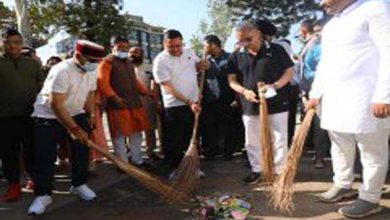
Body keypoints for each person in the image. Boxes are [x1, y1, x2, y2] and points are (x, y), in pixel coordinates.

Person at [306, 0, 390, 218]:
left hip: (366, 96)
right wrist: (315, 93)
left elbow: (388, 50)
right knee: (339, 143)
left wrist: (384, 95)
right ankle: (343, 184)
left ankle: (370, 197)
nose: (322, 3)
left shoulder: (376, 6)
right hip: (335, 97)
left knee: (371, 149)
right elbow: (325, 63)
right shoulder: (332, 24)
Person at [28, 40, 105, 215]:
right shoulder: (61, 71)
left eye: (98, 61)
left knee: (81, 150)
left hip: (75, 111)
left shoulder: (90, 70)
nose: (96, 64)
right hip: (48, 115)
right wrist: (75, 129)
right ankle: (43, 195)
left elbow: (91, 92)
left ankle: (78, 184)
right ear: (78, 56)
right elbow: (56, 104)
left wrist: (91, 115)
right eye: (93, 60)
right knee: (45, 155)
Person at [227, 21, 294, 184]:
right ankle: (257, 169)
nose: (245, 44)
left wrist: (275, 85)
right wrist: (244, 91)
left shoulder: (277, 49)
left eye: (248, 39)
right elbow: (232, 80)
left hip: (277, 102)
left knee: (279, 138)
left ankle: (279, 171)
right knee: (252, 139)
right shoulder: (236, 55)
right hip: (250, 104)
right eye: (241, 40)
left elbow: (289, 71)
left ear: (258, 33)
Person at [152, 29, 209, 175]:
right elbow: (167, 87)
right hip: (175, 105)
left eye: (178, 45)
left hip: (194, 103)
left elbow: (196, 67)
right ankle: (177, 169)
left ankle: (193, 167)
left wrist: (202, 65)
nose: (176, 49)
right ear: (164, 44)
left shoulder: (189, 52)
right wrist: (189, 102)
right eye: (172, 47)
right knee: (175, 140)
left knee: (193, 137)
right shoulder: (160, 61)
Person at [0, 29, 44, 202]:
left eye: (17, 42)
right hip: (4, 118)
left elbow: (42, 87)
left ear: (22, 43)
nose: (13, 45)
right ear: (2, 43)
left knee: (31, 150)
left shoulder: (32, 64)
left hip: (30, 116)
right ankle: (13, 185)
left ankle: (33, 179)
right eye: (8, 42)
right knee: (8, 154)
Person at [98, 36, 154, 168]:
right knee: (119, 135)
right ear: (112, 47)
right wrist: (114, 97)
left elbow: (134, 81)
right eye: (120, 47)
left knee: (137, 133)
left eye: (125, 47)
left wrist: (146, 92)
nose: (123, 50)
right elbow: (102, 83)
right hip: (118, 105)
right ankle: (123, 164)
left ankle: (137, 160)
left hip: (134, 103)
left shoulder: (128, 62)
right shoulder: (106, 62)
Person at [299, 19, 331, 169]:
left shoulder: (319, 46)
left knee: (319, 122)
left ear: (304, 30)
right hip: (307, 87)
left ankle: (320, 156)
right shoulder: (308, 46)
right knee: (309, 121)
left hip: (317, 87)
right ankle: (313, 151)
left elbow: (322, 69)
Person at [200, 34, 237, 160]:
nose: (203, 48)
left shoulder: (230, 58)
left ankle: (228, 152)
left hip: (226, 99)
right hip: (209, 100)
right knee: (210, 127)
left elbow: (233, 76)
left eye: (205, 46)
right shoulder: (205, 60)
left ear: (213, 45)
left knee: (227, 127)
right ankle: (212, 151)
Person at [129, 46, 160, 160]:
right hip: (130, 102)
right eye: (131, 52)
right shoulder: (125, 68)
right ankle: (131, 152)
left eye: (136, 52)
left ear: (142, 54)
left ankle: (151, 151)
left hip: (147, 101)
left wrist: (155, 100)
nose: (133, 54)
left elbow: (155, 85)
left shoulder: (150, 67)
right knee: (132, 128)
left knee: (149, 127)